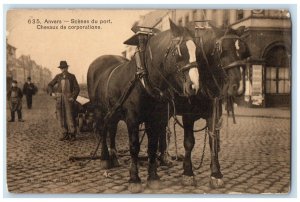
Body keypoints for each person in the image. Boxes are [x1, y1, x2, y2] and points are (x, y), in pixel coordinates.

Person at [48, 61, 80, 141]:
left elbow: (77, 89)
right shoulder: (58, 76)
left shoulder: (72, 76)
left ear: (67, 68)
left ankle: (72, 134)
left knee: (70, 116)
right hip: (59, 98)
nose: (63, 69)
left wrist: (73, 97)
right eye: (61, 68)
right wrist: (51, 93)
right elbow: (50, 85)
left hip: (69, 99)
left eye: (64, 68)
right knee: (60, 116)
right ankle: (64, 133)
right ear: (60, 69)